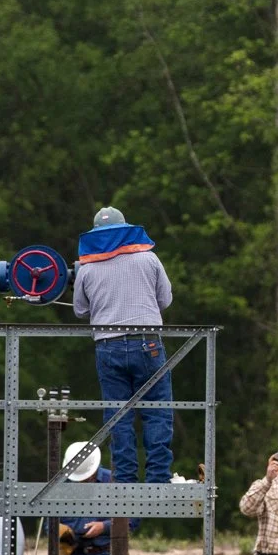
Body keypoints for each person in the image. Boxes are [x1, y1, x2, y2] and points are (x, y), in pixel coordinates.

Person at [72, 206, 176, 483]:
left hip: (108, 345)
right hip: (148, 344)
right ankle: (157, 478)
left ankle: (125, 479)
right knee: (156, 410)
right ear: (126, 230)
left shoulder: (86, 268)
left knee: (118, 415)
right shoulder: (149, 259)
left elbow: (80, 311)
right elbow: (165, 300)